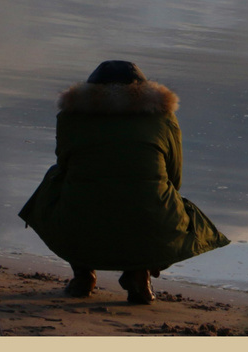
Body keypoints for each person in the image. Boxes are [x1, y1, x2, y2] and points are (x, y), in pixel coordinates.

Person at [18, 60, 230, 304]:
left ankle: (83, 276)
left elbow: (65, 165)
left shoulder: (71, 117)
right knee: (163, 199)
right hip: (152, 224)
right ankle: (140, 275)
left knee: (57, 182)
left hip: (82, 223)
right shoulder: (163, 118)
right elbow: (175, 176)